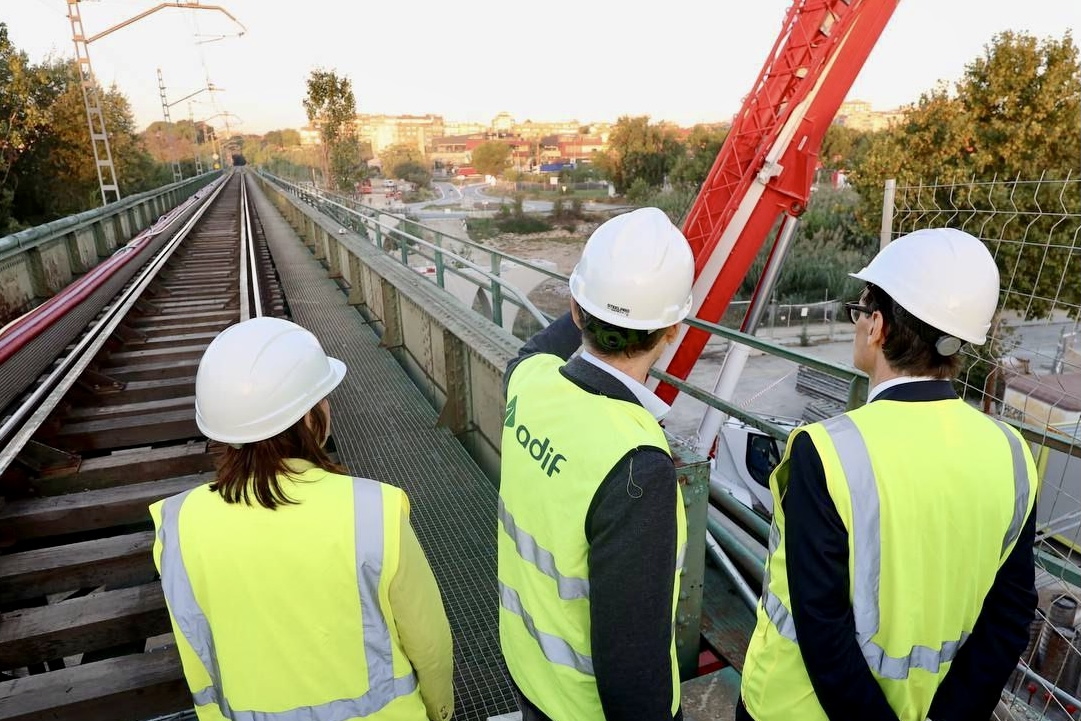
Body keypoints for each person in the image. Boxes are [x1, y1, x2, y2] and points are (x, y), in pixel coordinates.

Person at [737, 228, 1039, 721]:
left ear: (876, 326)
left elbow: (821, 625)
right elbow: (1008, 617)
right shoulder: (1010, 453)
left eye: (860, 310)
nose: (859, 322)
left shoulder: (827, 451)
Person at [149, 316, 454, 721]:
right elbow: (429, 643)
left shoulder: (178, 525)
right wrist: (440, 711)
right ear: (309, 417)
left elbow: (197, 651)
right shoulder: (374, 509)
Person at [497, 207, 694, 721]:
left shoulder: (529, 383)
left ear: (576, 310)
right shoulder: (637, 463)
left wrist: (596, 297)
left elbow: (534, 350)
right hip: (584, 708)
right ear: (672, 328)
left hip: (527, 667)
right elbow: (633, 659)